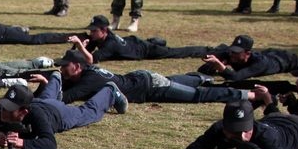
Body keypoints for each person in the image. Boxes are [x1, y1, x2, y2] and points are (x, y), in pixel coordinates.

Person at [0, 82, 118, 149]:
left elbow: (50, 144)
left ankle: (110, 90)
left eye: (10, 109)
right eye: (5, 105)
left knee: (87, 112)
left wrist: (23, 143)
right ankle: (55, 79)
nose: (4, 112)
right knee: (46, 97)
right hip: (41, 101)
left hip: (57, 113)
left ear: (23, 112)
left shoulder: (36, 115)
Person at [55, 49, 252, 105]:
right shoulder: (89, 72)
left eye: (65, 66)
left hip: (149, 87)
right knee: (176, 82)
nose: (62, 69)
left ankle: (243, 94)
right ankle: (201, 77)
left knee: (196, 96)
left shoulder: (90, 79)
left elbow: (68, 98)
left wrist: (50, 83)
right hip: (143, 77)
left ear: (78, 66)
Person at [70, 15, 210, 63]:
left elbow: (91, 60)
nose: (91, 33)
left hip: (145, 50)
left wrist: (80, 46)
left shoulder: (110, 44)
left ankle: (205, 50)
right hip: (133, 42)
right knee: (156, 43)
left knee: (175, 52)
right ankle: (157, 41)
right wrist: (85, 44)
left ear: (104, 30)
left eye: (94, 30)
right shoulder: (101, 37)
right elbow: (86, 51)